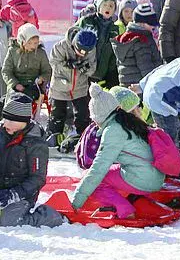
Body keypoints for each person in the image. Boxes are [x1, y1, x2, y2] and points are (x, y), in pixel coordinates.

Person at [71, 84, 166, 218]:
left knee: (95, 180)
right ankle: (131, 199)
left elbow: (99, 168)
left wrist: (76, 201)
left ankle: (125, 210)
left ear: (100, 116)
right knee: (111, 172)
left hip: (144, 179)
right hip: (155, 175)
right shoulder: (128, 123)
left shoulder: (113, 130)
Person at [0, 93, 66, 227]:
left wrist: (13, 194)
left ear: (23, 121)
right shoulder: (2, 132)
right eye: (4, 119)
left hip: (21, 195)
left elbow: (37, 178)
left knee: (7, 222)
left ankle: (49, 216)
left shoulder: (35, 144)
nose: (6, 124)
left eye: (11, 120)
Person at [47, 27, 98, 146]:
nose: (82, 54)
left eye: (86, 52)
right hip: (60, 86)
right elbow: (54, 63)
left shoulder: (91, 50)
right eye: (79, 50)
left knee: (83, 114)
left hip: (80, 87)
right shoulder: (61, 46)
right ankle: (54, 139)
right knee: (57, 115)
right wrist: (68, 65)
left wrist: (86, 69)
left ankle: (83, 139)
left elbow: (92, 67)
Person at [112, 0, 162, 88]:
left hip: (127, 88)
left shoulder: (127, 37)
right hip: (140, 89)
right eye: (151, 24)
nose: (153, 27)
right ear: (142, 23)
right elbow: (146, 69)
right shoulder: (141, 41)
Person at [75, 0, 120, 88]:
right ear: (99, 7)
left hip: (102, 74)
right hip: (83, 71)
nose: (108, 8)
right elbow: (72, 38)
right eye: (105, 5)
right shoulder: (87, 21)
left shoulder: (115, 30)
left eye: (111, 6)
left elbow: (114, 54)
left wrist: (111, 74)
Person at [2, 23, 51, 102]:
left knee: (29, 97)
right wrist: (15, 84)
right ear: (22, 41)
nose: (33, 46)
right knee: (14, 101)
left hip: (34, 85)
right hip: (16, 86)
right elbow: (6, 71)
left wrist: (41, 78)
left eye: (36, 43)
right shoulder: (12, 51)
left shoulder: (40, 52)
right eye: (29, 43)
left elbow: (47, 71)